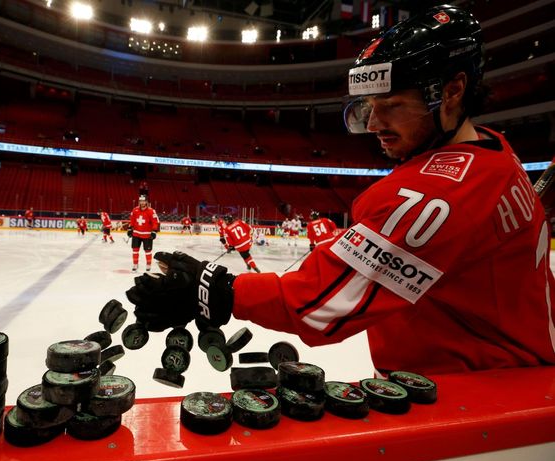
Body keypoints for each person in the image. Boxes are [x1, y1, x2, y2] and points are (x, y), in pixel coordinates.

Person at [126, 5, 555, 375]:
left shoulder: (435, 194)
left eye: (391, 106)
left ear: (453, 90)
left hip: (478, 401)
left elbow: (319, 307)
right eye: (369, 108)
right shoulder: (496, 153)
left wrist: (215, 290)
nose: (373, 126)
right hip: (513, 377)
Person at [128, 195, 160, 272]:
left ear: (146, 202)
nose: (142, 202)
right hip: (136, 234)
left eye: (143, 201)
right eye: (140, 201)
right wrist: (130, 228)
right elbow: (132, 220)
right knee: (135, 250)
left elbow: (155, 222)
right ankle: (135, 264)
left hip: (147, 235)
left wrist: (154, 231)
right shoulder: (135, 210)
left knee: (147, 251)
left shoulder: (151, 211)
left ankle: (148, 265)